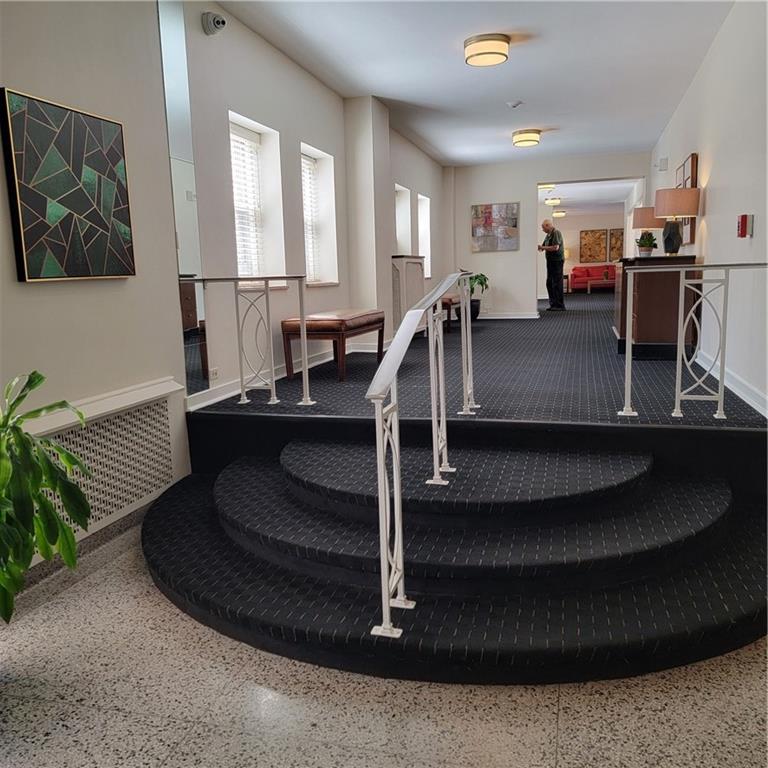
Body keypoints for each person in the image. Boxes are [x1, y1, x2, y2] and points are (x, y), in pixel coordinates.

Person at [538, 219, 566, 311]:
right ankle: (553, 304)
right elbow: (543, 246)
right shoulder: (548, 235)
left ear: (548, 225)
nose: (542, 230)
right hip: (550, 261)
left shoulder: (556, 233)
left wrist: (542, 247)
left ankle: (559, 305)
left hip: (557, 261)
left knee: (557, 283)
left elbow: (555, 247)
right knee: (549, 283)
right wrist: (541, 247)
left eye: (543, 228)